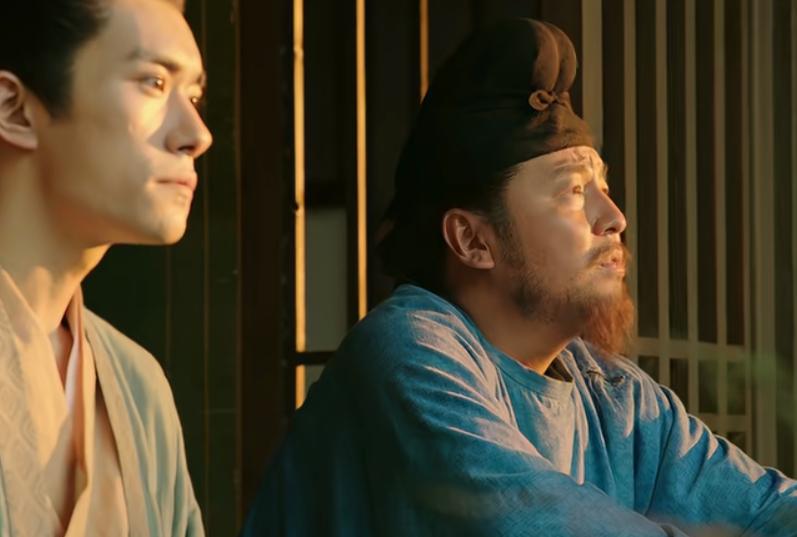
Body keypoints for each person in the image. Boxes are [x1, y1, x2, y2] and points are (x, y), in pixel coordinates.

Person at [243, 18, 797, 537]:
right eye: (573, 191)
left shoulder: (614, 396)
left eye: (603, 187)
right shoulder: (409, 353)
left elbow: (768, 510)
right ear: (473, 241)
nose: (614, 218)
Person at [0, 0, 212, 535]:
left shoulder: (141, 388)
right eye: (153, 83)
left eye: (193, 96)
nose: (197, 134)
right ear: (15, 109)